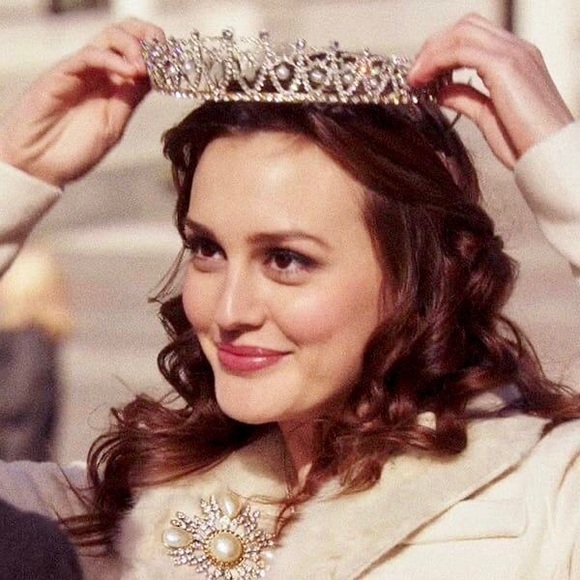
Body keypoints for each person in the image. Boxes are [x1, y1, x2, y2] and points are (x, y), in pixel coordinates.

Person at [0, 12, 579, 580]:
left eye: (285, 260)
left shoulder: (546, 504)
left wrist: (563, 165)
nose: (228, 312)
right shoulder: (119, 518)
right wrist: (17, 168)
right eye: (207, 249)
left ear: (419, 277)